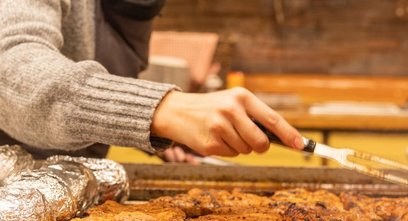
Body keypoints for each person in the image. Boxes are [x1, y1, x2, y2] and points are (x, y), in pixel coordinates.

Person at [0, 0, 303, 161]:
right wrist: (163, 109)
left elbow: (104, 81)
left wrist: (156, 134)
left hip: (77, 191)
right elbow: (11, 66)